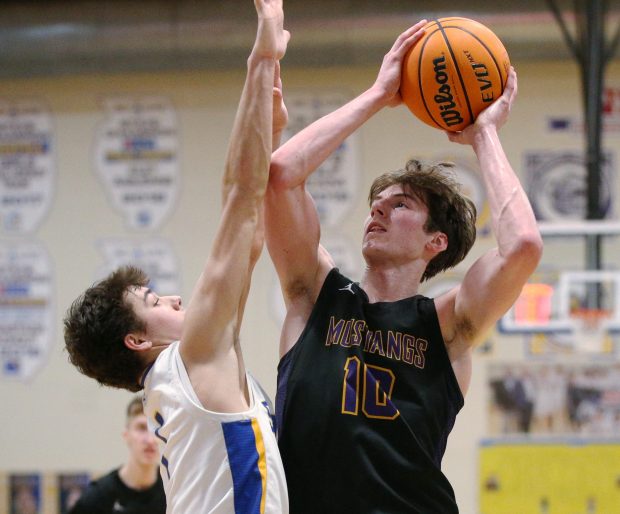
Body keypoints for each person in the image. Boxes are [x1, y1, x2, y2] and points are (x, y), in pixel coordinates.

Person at [264, 19, 543, 513]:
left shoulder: (449, 325)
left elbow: (522, 243)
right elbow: (283, 174)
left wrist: (483, 135)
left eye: (401, 205)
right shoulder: (314, 294)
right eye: (377, 202)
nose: (378, 209)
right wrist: (377, 94)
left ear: (436, 241)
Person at [63, 1, 290, 512]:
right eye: (153, 300)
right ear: (138, 338)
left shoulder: (181, 379)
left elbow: (249, 237)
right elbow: (240, 199)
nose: (174, 297)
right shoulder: (190, 361)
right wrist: (262, 55)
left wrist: (268, 129)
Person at [68, 396, 166, 514]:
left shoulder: (173, 491)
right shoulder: (97, 497)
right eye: (141, 428)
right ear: (126, 435)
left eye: (155, 429)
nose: (150, 440)